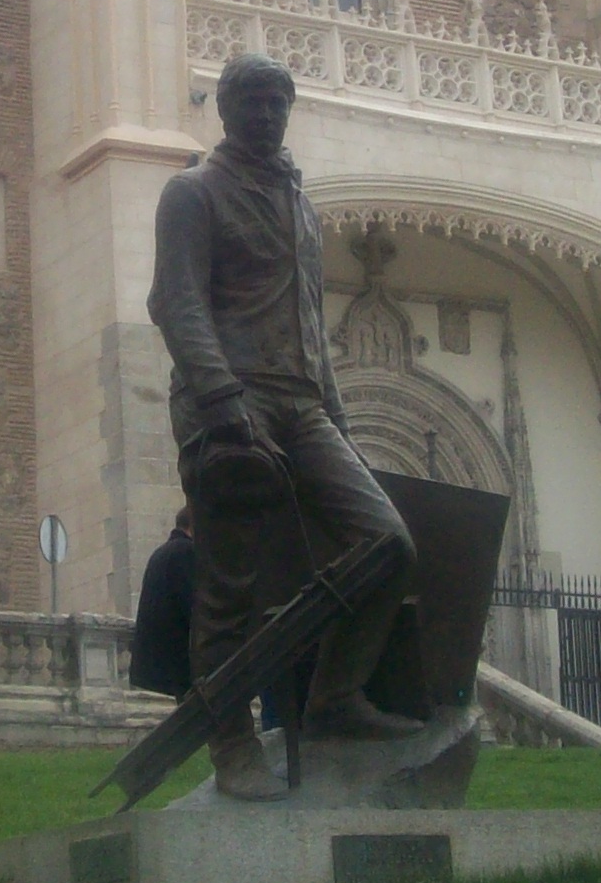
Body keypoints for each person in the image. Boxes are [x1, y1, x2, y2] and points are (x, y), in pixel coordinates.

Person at [149, 54, 419, 802]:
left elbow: (307, 321)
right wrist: (222, 401)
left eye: (278, 102)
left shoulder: (300, 202)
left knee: (387, 543)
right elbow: (175, 302)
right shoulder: (193, 191)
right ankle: (232, 743)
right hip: (227, 403)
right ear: (225, 108)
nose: (267, 115)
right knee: (229, 589)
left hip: (302, 403)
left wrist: (336, 418)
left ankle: (334, 698)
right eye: (253, 102)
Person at [128, 508, 194, 698]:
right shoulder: (186, 551)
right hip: (179, 662)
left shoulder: (160, 553)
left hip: (157, 663)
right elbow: (192, 606)